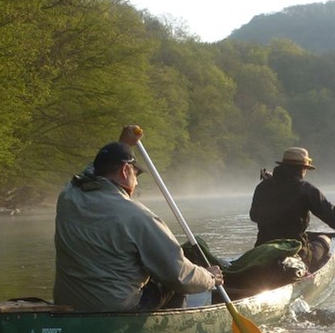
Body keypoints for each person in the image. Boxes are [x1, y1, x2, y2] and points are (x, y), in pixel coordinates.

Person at [54, 126, 224, 312]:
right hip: (115, 308)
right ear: (125, 170)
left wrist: (123, 145)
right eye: (136, 174)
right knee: (170, 282)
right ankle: (172, 329)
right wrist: (210, 278)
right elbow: (178, 275)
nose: (137, 181)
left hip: (68, 302)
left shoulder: (68, 196)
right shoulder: (139, 216)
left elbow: (91, 172)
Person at [249, 146, 335, 264]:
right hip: (296, 253)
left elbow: (254, 216)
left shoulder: (262, 186)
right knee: (325, 239)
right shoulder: (306, 189)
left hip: (262, 250)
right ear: (302, 169)